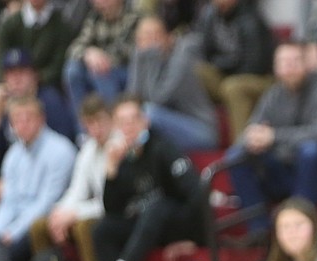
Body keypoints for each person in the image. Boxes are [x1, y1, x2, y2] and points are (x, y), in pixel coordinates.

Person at [224, 41, 317, 240]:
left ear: (307, 64)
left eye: (295, 61)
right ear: (275, 67)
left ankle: (300, 229)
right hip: (289, 166)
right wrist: (252, 139)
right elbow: (254, 130)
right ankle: (260, 231)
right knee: (236, 155)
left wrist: (274, 137)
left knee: (310, 150)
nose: (289, 67)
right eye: (284, 62)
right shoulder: (273, 94)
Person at [87, 96, 206, 261]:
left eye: (133, 120)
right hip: (147, 226)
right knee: (102, 229)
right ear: (116, 127)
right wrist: (111, 172)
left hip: (176, 222)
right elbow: (112, 210)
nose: (129, 127)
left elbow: (197, 193)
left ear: (145, 121)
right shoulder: (123, 158)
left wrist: (194, 239)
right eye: (122, 122)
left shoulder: (164, 148)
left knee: (156, 207)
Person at [28, 94, 111, 261]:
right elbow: (77, 190)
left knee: (84, 226)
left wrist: (73, 214)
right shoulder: (89, 149)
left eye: (100, 121)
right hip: (94, 208)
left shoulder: (119, 147)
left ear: (110, 119)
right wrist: (59, 213)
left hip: (114, 212)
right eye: (90, 124)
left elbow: (111, 202)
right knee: (40, 225)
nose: (96, 129)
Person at [0, 95, 78, 261]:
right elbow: (8, 201)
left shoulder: (61, 150)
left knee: (2, 259)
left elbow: (47, 203)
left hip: (44, 222)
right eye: (17, 120)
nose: (22, 125)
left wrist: (12, 234)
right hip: (17, 223)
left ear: (41, 119)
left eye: (28, 118)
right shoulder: (13, 155)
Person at [0, 48, 78, 196]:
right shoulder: (5, 104)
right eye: (11, 74)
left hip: (46, 175)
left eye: (22, 73)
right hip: (17, 170)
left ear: (35, 76)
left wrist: (14, 182)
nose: (16, 79)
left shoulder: (49, 100)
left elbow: (64, 145)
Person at [127, 15, 218, 152]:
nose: (150, 42)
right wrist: (138, 59)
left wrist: (151, 56)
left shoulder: (181, 60)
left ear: (167, 37)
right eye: (143, 37)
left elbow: (158, 98)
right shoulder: (143, 59)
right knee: (129, 115)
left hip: (201, 131)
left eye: (154, 35)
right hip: (169, 124)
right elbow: (132, 98)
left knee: (148, 113)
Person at [192, 0, 275, 137]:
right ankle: (202, 129)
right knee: (197, 71)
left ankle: (240, 147)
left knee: (233, 88)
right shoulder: (209, 16)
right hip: (227, 73)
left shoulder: (250, 18)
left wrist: (225, 66)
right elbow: (204, 52)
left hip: (259, 78)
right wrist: (224, 64)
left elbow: (255, 66)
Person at [62, 0, 140, 115]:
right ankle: (83, 125)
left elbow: (127, 52)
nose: (100, 3)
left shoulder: (133, 17)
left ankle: (112, 122)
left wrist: (100, 58)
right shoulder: (94, 17)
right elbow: (74, 47)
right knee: (72, 70)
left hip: (126, 71)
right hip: (96, 68)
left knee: (101, 72)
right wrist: (88, 53)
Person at [0, 0, 73, 92]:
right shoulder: (9, 24)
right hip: (11, 83)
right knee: (0, 95)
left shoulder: (60, 25)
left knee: (52, 100)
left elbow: (59, 63)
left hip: (46, 84)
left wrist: (36, 78)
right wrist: (9, 80)